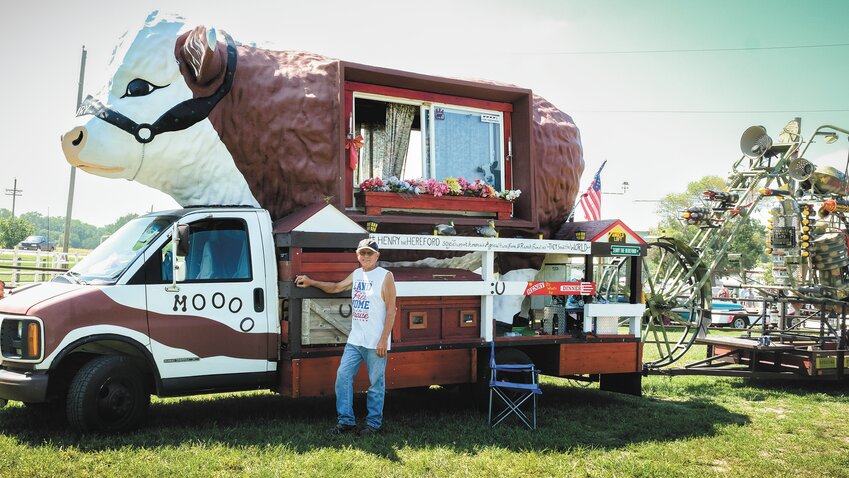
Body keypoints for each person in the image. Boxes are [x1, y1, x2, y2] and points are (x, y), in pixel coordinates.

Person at [295, 238, 397, 435]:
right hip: (355, 340)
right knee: (343, 377)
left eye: (370, 253)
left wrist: (384, 339)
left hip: (376, 342)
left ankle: (373, 424)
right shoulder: (357, 274)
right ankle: (346, 422)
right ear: (357, 255)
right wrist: (311, 282)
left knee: (376, 384)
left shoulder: (386, 276)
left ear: (377, 256)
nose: (366, 256)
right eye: (362, 253)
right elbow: (335, 288)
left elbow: (392, 311)